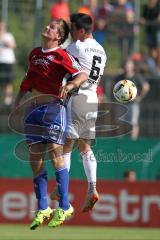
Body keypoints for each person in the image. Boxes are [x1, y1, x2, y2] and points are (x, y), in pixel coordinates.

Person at [13, 19, 88, 229]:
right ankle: (44, 207)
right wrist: (17, 102)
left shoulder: (61, 55)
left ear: (59, 37)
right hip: (33, 111)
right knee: (34, 161)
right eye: (48, 25)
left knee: (56, 156)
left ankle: (64, 206)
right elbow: (28, 80)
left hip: (54, 109)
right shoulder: (35, 53)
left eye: (53, 27)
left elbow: (82, 74)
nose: (48, 27)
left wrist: (72, 83)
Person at [50, 13, 107, 212]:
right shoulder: (101, 49)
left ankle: (61, 189)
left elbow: (59, 58)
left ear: (82, 31)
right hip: (92, 99)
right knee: (85, 148)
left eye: (73, 30)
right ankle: (92, 188)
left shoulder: (78, 46)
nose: (71, 34)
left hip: (78, 98)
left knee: (66, 146)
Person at [115, 59, 150, 140]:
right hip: (121, 104)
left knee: (133, 124)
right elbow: (115, 89)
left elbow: (146, 86)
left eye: (129, 65)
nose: (127, 67)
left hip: (133, 104)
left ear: (132, 66)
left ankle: (133, 143)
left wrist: (140, 97)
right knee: (120, 124)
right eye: (126, 65)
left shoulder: (137, 76)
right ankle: (119, 142)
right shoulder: (120, 77)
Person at [0, 21, 16, 108]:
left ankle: (8, 100)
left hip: (8, 61)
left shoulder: (8, 35)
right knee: (2, 82)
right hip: (0, 61)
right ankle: (3, 99)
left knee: (8, 81)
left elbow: (13, 45)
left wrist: (5, 42)